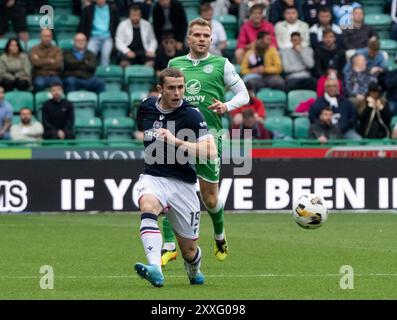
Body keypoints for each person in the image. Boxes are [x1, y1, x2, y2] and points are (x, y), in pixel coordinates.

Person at [167, 18, 250, 265]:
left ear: (211, 39)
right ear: (189, 39)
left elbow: (244, 95)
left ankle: (220, 235)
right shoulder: (175, 63)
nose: (202, 39)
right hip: (178, 136)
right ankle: (169, 246)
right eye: (197, 35)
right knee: (169, 191)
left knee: (210, 199)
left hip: (209, 139)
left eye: (206, 35)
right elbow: (165, 91)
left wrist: (227, 105)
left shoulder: (221, 64)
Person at [134, 67, 217, 287]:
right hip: (153, 177)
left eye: (181, 87)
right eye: (172, 88)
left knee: (189, 250)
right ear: (160, 89)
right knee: (147, 205)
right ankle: (155, 268)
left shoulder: (191, 114)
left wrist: (177, 142)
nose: (177, 93)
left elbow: (211, 151)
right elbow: (142, 130)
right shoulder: (145, 107)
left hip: (183, 185)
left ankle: (193, 268)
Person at [78, 0, 120, 67]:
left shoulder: (113, 9)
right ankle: (89, 74)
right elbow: (82, 25)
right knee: (89, 55)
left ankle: (104, 75)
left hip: (107, 38)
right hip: (93, 37)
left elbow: (117, 24)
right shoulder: (88, 9)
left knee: (105, 55)